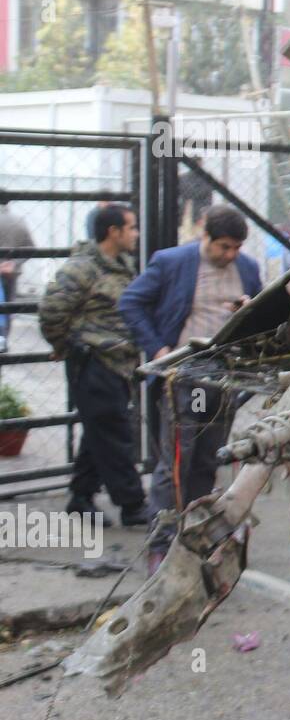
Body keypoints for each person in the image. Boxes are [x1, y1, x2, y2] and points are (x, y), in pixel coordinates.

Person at [118, 205, 262, 566]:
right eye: (224, 247)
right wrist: (159, 348)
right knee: (179, 457)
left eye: (236, 248)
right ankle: (162, 543)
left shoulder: (246, 269)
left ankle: (195, 536)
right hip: (189, 378)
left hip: (225, 377)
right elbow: (131, 302)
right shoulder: (173, 262)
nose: (230, 255)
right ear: (206, 238)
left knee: (207, 457)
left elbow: (262, 315)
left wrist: (248, 310)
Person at [38, 204, 147, 525]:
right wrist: (64, 345)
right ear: (113, 232)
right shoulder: (82, 268)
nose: (136, 234)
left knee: (99, 431)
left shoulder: (121, 264)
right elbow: (51, 311)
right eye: (131, 227)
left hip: (119, 363)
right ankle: (132, 504)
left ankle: (81, 497)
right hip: (94, 361)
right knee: (115, 432)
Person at [0, 192, 35, 355]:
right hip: (11, 272)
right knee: (7, 307)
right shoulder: (19, 221)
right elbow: (30, 247)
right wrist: (14, 263)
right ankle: (3, 340)